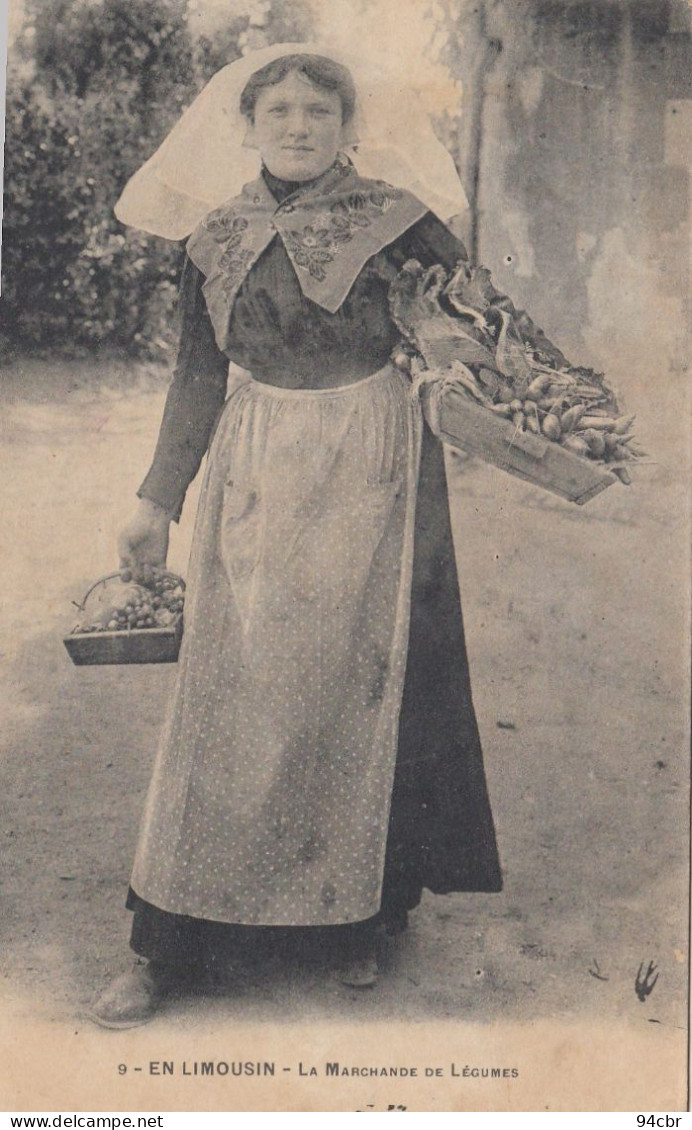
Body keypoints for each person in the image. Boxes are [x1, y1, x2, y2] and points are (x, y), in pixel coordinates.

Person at [89, 43, 507, 1029]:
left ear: (346, 127)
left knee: (354, 694)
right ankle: (168, 936)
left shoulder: (400, 225)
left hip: (372, 466)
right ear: (249, 125)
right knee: (228, 701)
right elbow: (195, 374)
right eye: (278, 111)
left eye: (318, 112)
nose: (298, 127)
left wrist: (477, 382)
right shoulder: (214, 237)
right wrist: (155, 498)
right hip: (255, 468)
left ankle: (354, 916)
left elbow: (481, 329)